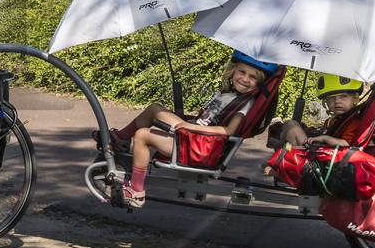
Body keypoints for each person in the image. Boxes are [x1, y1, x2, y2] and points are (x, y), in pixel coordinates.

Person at [111, 52, 276, 210]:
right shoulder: (230, 94)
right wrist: (191, 124)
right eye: (242, 72)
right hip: (197, 138)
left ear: (260, 82)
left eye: (253, 77)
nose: (245, 79)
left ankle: (136, 191)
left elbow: (229, 131)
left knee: (142, 135)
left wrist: (191, 126)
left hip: (201, 148)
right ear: (234, 70)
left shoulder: (246, 103)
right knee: (154, 108)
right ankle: (122, 139)